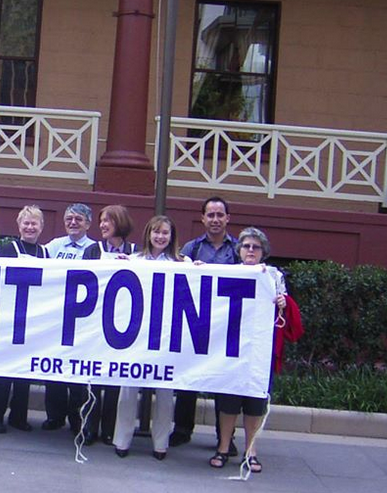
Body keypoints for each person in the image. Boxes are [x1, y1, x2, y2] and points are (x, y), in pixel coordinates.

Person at [209, 226, 287, 474]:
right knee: (228, 400)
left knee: (255, 401)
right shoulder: (228, 272)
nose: (250, 250)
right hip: (231, 347)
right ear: (239, 250)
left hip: (258, 349)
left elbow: (284, 313)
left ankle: (250, 450)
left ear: (263, 251)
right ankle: (223, 447)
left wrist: (282, 302)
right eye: (246, 246)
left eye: (256, 247)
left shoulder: (273, 277)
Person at [111, 215, 187, 460]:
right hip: (137, 334)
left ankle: (161, 444)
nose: (160, 237)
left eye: (165, 232)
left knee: (165, 391)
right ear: (148, 234)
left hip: (166, 335)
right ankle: (122, 440)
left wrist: (199, 268)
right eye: (156, 232)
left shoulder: (182, 262)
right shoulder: (134, 260)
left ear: (171, 236)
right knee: (128, 387)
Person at [170, 196, 242, 450]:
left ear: (227, 218)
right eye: (210, 215)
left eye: (220, 215)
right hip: (195, 323)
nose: (215, 219)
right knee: (188, 377)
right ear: (202, 219)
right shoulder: (192, 248)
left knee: (224, 381)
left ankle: (225, 438)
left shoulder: (239, 249)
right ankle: (182, 430)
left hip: (226, 326)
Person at [0, 205, 48, 434]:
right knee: (1, 370)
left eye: (34, 223)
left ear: (41, 227)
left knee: (24, 372)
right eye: (26, 223)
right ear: (19, 225)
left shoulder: (45, 253)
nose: (30, 227)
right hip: (7, 318)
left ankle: (18, 417)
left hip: (31, 321)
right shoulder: (8, 248)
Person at [80, 204, 139, 446]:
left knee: (115, 376)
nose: (103, 225)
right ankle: (89, 427)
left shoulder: (136, 251)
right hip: (96, 321)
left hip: (123, 323)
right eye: (102, 220)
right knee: (92, 377)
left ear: (120, 223)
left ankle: (109, 428)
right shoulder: (93, 250)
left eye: (108, 220)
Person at [41, 203, 96, 432]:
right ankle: (55, 416)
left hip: (82, 318)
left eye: (78, 219)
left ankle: (77, 419)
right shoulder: (54, 245)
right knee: (54, 367)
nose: (73, 223)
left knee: (77, 371)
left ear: (88, 224)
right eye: (69, 219)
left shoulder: (94, 248)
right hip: (56, 315)